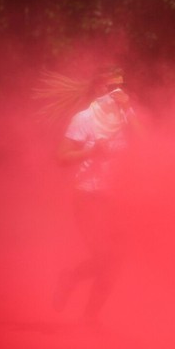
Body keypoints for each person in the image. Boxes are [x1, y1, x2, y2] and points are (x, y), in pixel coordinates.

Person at [45, 66, 140, 325]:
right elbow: (61, 156)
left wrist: (129, 109)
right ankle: (71, 279)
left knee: (116, 261)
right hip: (88, 196)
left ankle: (90, 318)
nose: (117, 92)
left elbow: (146, 140)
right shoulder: (83, 119)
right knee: (105, 255)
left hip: (116, 197)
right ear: (99, 89)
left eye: (121, 86)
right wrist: (90, 153)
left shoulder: (125, 113)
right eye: (111, 88)